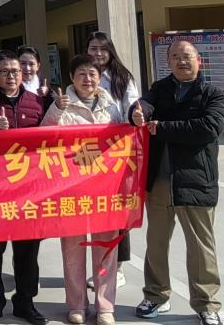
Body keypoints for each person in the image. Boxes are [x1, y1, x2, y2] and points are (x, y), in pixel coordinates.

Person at [130, 40, 224, 325]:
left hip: (196, 180)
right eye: (175, 57)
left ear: (199, 60)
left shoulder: (212, 94)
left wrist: (162, 128)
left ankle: (206, 304)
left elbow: (209, 128)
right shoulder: (161, 88)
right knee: (156, 243)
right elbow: (145, 104)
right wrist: (138, 112)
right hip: (160, 181)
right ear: (168, 62)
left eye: (186, 56)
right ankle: (156, 295)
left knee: (201, 248)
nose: (181, 61)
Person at [41, 55, 123, 325]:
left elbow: (122, 142)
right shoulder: (61, 105)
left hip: (105, 189)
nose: (87, 79)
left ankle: (105, 306)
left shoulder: (111, 105)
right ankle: (76, 304)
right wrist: (56, 110)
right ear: (71, 78)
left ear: (100, 78)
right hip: (72, 189)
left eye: (92, 74)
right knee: (73, 251)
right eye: (81, 74)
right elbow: (43, 137)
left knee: (106, 249)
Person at [0, 51, 48, 325]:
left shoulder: (36, 102)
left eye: (15, 71)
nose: (12, 76)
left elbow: (49, 138)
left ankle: (25, 302)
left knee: (28, 250)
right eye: (4, 71)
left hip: (29, 189)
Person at [86, 31, 140, 290]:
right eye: (92, 48)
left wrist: (135, 114)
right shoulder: (83, 74)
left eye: (102, 49)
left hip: (117, 152)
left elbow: (133, 105)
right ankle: (99, 267)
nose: (97, 53)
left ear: (110, 51)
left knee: (118, 212)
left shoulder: (122, 77)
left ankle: (117, 268)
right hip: (90, 154)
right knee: (95, 212)